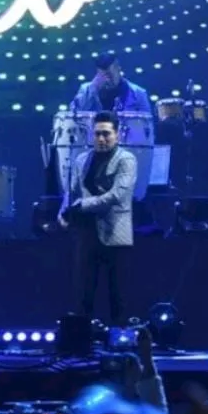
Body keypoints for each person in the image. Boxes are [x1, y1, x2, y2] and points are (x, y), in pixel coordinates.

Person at [60, 111, 138, 323]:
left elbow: (117, 195)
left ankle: (119, 341)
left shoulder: (127, 159)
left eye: (106, 134)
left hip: (115, 231)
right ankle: (82, 341)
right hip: (87, 231)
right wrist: (63, 211)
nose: (101, 139)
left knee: (118, 294)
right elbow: (72, 191)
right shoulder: (82, 159)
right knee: (83, 291)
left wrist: (82, 205)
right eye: (97, 134)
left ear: (117, 135)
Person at [69, 54, 151, 114]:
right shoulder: (86, 89)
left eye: (109, 75)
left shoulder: (138, 93)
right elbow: (74, 112)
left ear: (118, 69)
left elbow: (147, 125)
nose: (107, 80)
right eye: (102, 76)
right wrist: (93, 89)